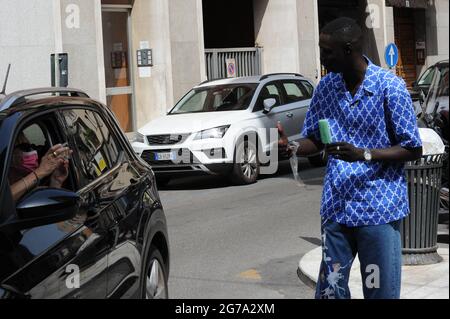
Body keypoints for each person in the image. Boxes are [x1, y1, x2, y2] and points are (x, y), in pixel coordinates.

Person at [278, 17, 422, 299]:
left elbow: (412, 147)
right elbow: (316, 139)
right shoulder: (326, 88)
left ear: (347, 50)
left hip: (378, 211)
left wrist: (364, 154)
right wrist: (293, 147)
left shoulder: (389, 87)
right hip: (336, 209)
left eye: (327, 51)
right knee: (330, 292)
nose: (322, 58)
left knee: (378, 291)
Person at [9, 132, 72, 202]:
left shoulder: (37, 191)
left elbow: (48, 208)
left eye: (31, 146)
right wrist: (40, 172)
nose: (33, 152)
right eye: (25, 147)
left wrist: (56, 181)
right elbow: (3, 200)